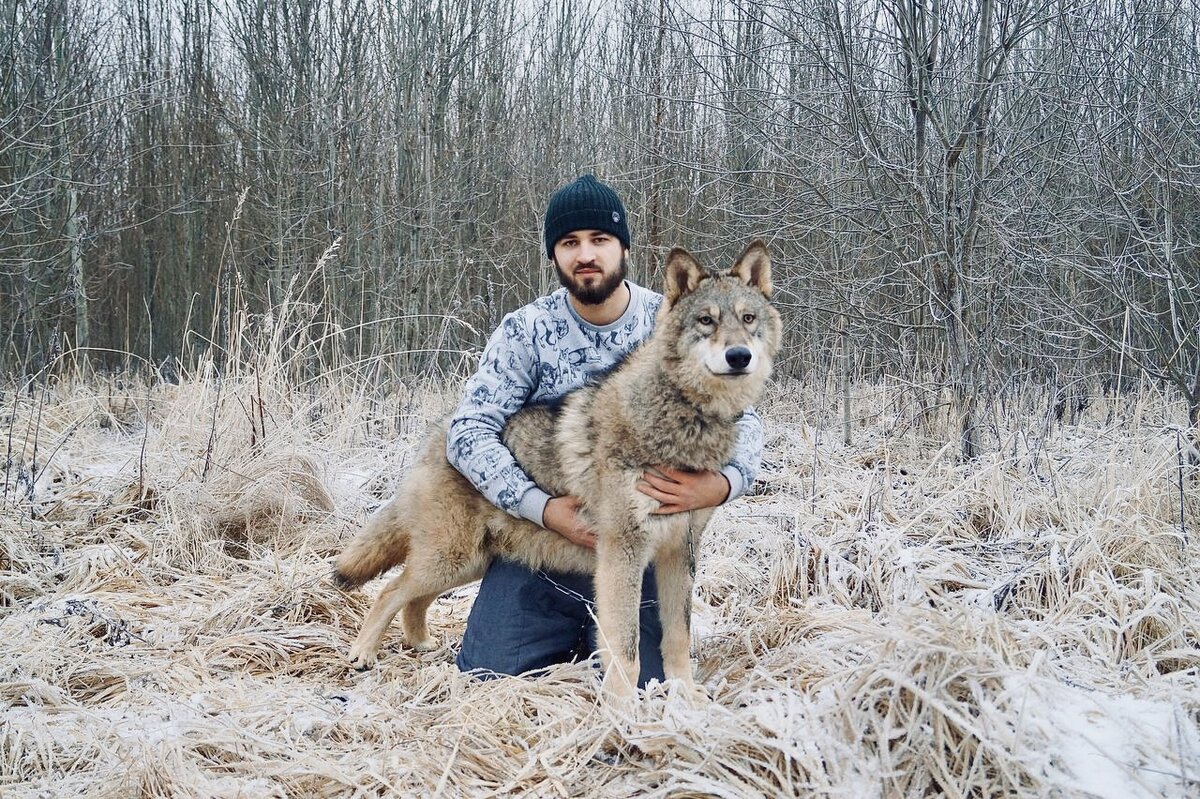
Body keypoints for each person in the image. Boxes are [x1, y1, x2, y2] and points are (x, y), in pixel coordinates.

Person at [447, 174, 763, 687]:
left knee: (653, 686)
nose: (585, 254)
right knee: (488, 673)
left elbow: (743, 418)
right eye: (570, 243)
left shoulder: (675, 320)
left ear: (623, 248)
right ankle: (566, 631)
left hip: (640, 543)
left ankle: (601, 646)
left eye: (600, 240)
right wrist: (542, 508)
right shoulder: (525, 330)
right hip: (544, 543)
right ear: (555, 256)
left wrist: (721, 485)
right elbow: (467, 433)